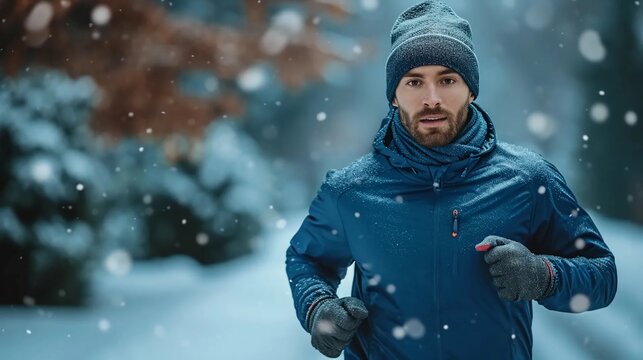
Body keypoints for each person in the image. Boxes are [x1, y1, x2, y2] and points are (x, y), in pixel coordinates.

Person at [284, 1, 617, 359]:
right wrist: (318, 307)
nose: (432, 99)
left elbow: (602, 275)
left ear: (471, 89)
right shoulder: (350, 191)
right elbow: (306, 260)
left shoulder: (529, 180)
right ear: (394, 96)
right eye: (414, 81)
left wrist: (544, 275)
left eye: (447, 79)